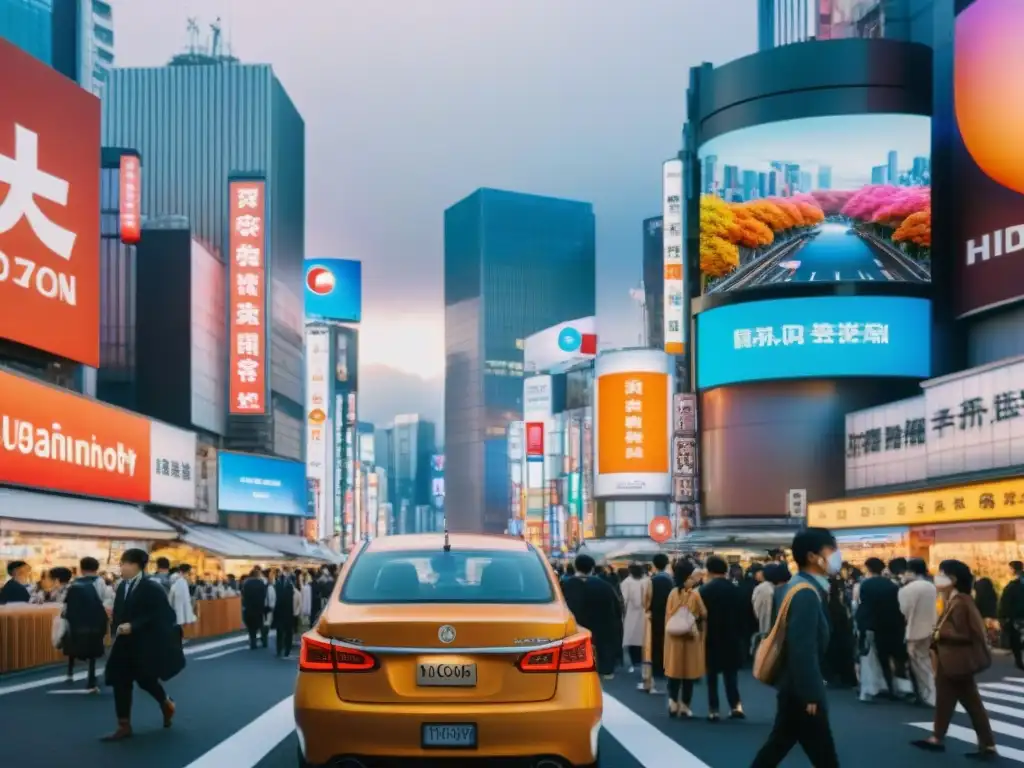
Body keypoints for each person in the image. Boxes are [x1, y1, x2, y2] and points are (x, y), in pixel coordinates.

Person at [751, 528, 840, 768]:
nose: (836, 555)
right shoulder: (806, 593)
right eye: (831, 549)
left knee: (779, 744)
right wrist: (811, 694)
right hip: (801, 690)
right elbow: (803, 648)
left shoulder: (794, 586)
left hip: (792, 686)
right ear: (813, 556)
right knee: (822, 756)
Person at [911, 559, 997, 759]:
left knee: (961, 701)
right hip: (953, 662)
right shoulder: (956, 599)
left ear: (953, 578)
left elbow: (969, 632)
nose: (937, 576)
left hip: (955, 661)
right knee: (952, 700)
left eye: (941, 573)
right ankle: (942, 738)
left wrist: (941, 633)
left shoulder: (962, 602)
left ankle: (983, 744)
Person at [102, 548, 185, 741]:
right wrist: (114, 626)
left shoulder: (151, 587)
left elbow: (162, 615)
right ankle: (124, 725)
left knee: (145, 680)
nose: (120, 567)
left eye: (123, 563)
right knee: (120, 681)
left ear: (134, 565)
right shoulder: (122, 586)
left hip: (144, 644)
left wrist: (135, 625)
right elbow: (120, 612)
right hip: (124, 644)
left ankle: (165, 703)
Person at [561, 554, 623, 679]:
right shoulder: (604, 586)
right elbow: (617, 609)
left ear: (575, 566)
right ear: (592, 568)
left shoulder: (566, 586)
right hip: (601, 628)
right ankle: (606, 670)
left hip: (575, 629)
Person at [700, 555, 745, 719]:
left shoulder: (704, 591)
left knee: (711, 676)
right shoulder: (735, 590)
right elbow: (743, 615)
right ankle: (736, 706)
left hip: (711, 637)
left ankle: (714, 709)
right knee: (731, 674)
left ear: (709, 570)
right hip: (732, 637)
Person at [856, 556, 907, 699]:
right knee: (892, 657)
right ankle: (893, 687)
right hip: (891, 625)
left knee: (870, 658)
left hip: (871, 625)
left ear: (868, 569)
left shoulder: (865, 585)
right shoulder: (892, 585)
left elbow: (863, 605)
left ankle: (871, 689)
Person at [663, 559, 706, 718]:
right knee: (688, 674)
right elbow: (703, 614)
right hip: (689, 638)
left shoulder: (672, 593)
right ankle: (685, 706)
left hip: (673, 638)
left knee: (674, 672)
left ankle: (672, 702)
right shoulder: (694, 594)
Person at [63, 557, 109, 692]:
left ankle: (70, 673)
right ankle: (91, 677)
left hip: (76, 620)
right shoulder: (99, 582)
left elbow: (65, 602)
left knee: (74, 645)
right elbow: (105, 599)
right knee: (93, 650)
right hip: (94, 619)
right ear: (97, 568)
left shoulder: (74, 583)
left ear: (81, 568)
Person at [899, 557, 937, 707]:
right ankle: (931, 693)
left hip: (913, 630)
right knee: (927, 663)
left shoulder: (907, 590)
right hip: (932, 629)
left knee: (918, 665)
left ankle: (926, 695)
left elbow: (903, 612)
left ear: (910, 571)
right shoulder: (932, 586)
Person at [639, 552, 674, 694]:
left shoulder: (652, 580)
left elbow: (646, 601)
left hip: (654, 619)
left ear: (654, 565)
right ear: (667, 564)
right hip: (669, 618)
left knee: (651, 649)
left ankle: (651, 680)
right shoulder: (671, 580)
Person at [620, 563, 647, 674]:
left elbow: (624, 599)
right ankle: (642, 660)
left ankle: (635, 662)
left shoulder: (626, 582)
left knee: (632, 637)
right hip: (644, 612)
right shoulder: (647, 580)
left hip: (631, 613)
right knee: (643, 637)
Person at [999, 561, 1024, 670]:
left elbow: (1006, 602)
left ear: (1013, 569)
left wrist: (1003, 616)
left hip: (1017, 616)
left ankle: (1019, 662)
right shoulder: (1015, 584)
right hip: (1018, 615)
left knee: (1016, 639)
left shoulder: (1013, 586)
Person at [241, 566, 269, 649]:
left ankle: (253, 643)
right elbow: (264, 595)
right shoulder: (261, 583)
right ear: (257, 575)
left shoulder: (246, 583)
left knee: (251, 627)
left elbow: (243, 595)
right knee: (261, 625)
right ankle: (264, 641)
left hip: (249, 608)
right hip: (259, 607)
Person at [272, 569, 296, 657]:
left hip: (279, 612)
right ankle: (287, 650)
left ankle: (280, 649)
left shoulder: (276, 586)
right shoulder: (291, 587)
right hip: (288, 613)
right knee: (288, 633)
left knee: (280, 632)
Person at [169, 564, 197, 637]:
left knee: (181, 620)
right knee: (179, 620)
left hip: (179, 603)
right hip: (178, 603)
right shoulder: (178, 579)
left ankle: (180, 636)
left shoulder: (181, 579)